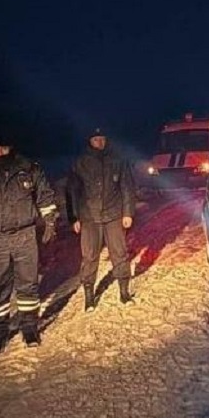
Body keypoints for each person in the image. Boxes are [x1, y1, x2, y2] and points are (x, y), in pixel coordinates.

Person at [0, 135, 58, 353]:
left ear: (11, 148)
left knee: (28, 284)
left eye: (4, 149)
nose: (0, 154)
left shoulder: (28, 169)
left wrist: (50, 222)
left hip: (25, 236)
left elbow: (45, 196)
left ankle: (29, 329)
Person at [67, 128, 136, 311]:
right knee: (89, 256)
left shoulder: (117, 159)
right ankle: (89, 295)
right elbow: (73, 190)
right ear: (90, 141)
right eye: (96, 139)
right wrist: (74, 217)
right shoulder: (81, 162)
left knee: (119, 252)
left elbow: (127, 186)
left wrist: (128, 212)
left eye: (102, 138)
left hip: (113, 214)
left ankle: (124, 291)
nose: (100, 142)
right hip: (89, 216)